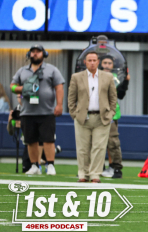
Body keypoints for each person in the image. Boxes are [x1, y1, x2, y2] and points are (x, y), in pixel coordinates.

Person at [10, 45, 65, 176]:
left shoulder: (51, 70)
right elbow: (12, 86)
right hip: (27, 111)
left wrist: (59, 104)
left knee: (48, 139)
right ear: (29, 54)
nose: (35, 54)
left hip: (46, 111)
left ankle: (50, 165)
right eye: (33, 52)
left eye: (38, 52)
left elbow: (59, 87)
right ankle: (34, 165)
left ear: (44, 54)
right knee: (30, 140)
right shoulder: (22, 71)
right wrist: (23, 89)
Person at [68, 51, 117, 183]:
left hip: (102, 117)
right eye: (89, 60)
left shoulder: (107, 77)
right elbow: (71, 98)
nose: (92, 63)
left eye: (94, 60)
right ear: (85, 62)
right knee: (82, 148)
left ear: (98, 62)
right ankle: (83, 174)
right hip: (82, 117)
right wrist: (74, 114)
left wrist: (111, 113)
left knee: (99, 147)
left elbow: (113, 98)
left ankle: (95, 174)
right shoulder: (77, 77)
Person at [100, 54, 131, 179]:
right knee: (95, 142)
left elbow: (121, 95)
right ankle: (97, 167)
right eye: (105, 63)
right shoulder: (95, 76)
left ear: (113, 65)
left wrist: (126, 81)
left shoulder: (117, 77)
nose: (107, 65)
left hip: (112, 113)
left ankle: (115, 167)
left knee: (112, 142)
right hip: (96, 112)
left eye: (109, 63)